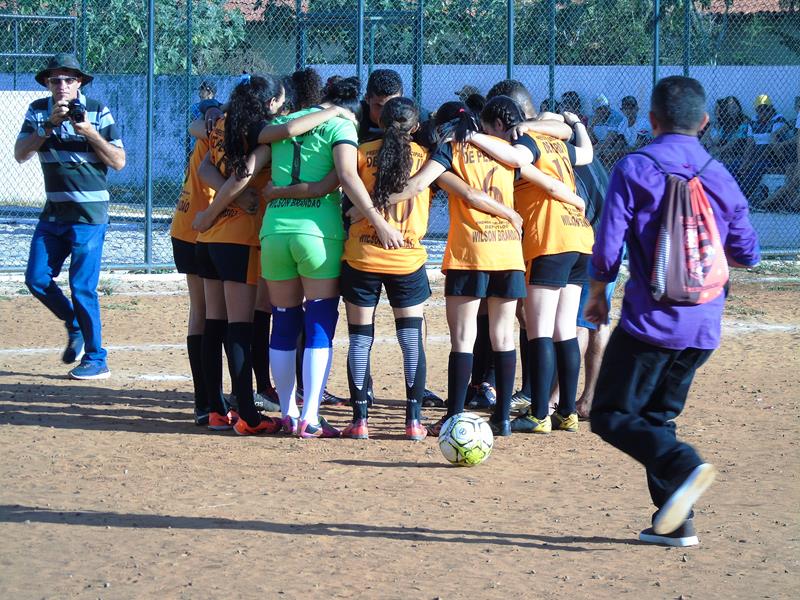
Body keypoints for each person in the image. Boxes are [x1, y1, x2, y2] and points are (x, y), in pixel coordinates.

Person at [587, 75, 760, 547]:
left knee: (610, 414)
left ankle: (684, 465)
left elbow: (607, 247)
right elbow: (747, 252)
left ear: (652, 120)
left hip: (650, 323)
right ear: (704, 122)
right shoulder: (720, 175)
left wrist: (598, 292)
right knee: (658, 418)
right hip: (703, 327)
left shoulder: (634, 167)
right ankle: (674, 522)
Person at [467, 98, 594, 435]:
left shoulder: (523, 141)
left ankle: (539, 413)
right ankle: (566, 412)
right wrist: (576, 125)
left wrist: (472, 138)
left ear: (497, 124)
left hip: (550, 237)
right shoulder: (554, 142)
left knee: (539, 330)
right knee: (564, 329)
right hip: (579, 237)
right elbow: (587, 154)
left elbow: (518, 160)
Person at [15, 53, 125, 380]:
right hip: (54, 214)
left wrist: (88, 131)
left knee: (82, 287)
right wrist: (49, 125)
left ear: (79, 82)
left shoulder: (97, 110)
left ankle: (96, 358)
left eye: (68, 79)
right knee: (36, 279)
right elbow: (21, 154)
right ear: (47, 84)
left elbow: (119, 161)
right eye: (55, 80)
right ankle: (74, 323)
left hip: (89, 215)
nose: (61, 85)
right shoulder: (38, 110)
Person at [739, 94, 792, 203]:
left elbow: (771, 147)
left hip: (773, 157)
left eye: (766, 109)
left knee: (758, 166)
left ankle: (741, 197)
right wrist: (745, 162)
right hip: (756, 155)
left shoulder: (778, 120)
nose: (763, 112)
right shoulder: (753, 122)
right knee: (734, 165)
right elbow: (750, 145)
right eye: (760, 109)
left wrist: (751, 162)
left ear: (771, 108)